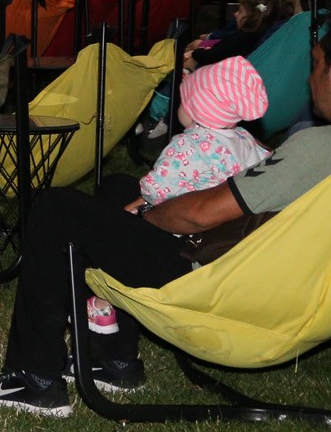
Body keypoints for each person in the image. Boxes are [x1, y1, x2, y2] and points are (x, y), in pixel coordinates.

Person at [0, 13, 331, 417]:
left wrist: (143, 216)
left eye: (316, 65)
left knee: (56, 208)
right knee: (121, 187)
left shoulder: (325, 146)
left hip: (216, 278)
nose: (310, 79)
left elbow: (200, 215)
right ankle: (115, 360)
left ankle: (33, 378)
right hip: (280, 278)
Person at [85, 57, 270, 335]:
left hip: (181, 231)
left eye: (185, 101)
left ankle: (103, 304)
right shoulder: (245, 140)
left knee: (125, 230)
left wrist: (142, 199)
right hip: (221, 234)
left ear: (198, 111)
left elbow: (155, 189)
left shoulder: (189, 145)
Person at [183, 0, 285, 72]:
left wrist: (196, 52)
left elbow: (212, 56)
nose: (235, 14)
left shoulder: (241, 40)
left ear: (253, 17)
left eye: (240, 11)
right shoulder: (263, 35)